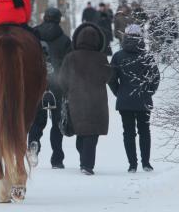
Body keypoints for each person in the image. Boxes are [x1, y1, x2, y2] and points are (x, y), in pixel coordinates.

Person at [59, 23, 112, 175]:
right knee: (92, 134)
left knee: (82, 132)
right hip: (97, 102)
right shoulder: (101, 58)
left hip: (77, 101)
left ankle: (85, 162)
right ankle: (87, 164)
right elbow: (108, 77)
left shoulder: (70, 57)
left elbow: (62, 79)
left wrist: (69, 89)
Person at [108, 25, 160, 173]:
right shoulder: (147, 56)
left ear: (126, 36)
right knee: (145, 131)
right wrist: (148, 92)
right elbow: (155, 78)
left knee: (128, 132)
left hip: (125, 101)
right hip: (143, 100)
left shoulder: (118, 56)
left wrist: (119, 93)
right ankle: (146, 163)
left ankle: (132, 164)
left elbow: (111, 78)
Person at [27, 8, 72, 169]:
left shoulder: (32, 35)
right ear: (59, 20)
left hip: (36, 84)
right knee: (57, 121)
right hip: (57, 85)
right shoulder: (65, 40)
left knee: (37, 121)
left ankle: (33, 146)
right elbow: (69, 64)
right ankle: (57, 158)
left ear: (44, 18)